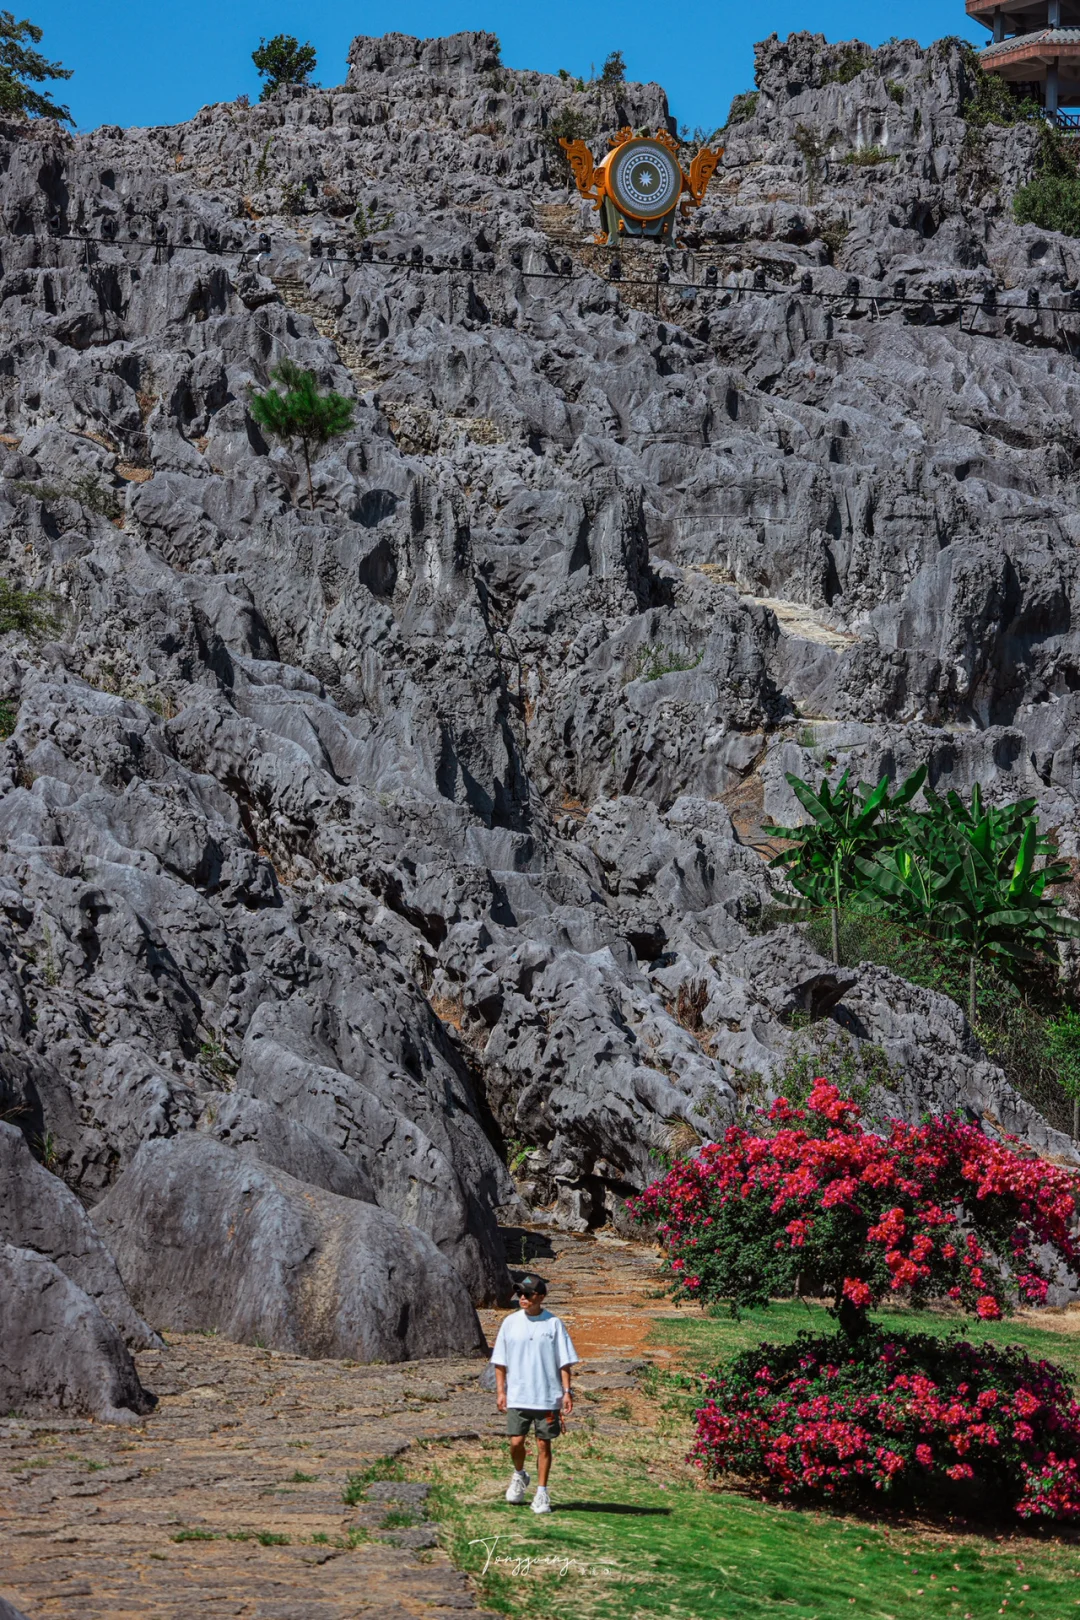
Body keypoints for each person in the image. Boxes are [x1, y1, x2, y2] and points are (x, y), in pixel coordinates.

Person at [489, 1273, 578, 1514]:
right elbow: (500, 1361)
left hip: (547, 1396)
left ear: (540, 1297)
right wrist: (501, 1391)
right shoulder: (509, 1323)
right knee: (516, 1441)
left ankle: (542, 1493)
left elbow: (565, 1362)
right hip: (518, 1394)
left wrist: (567, 1391)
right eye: (520, 1294)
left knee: (543, 1445)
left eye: (527, 1294)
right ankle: (519, 1474)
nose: (523, 1298)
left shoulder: (554, 1324)